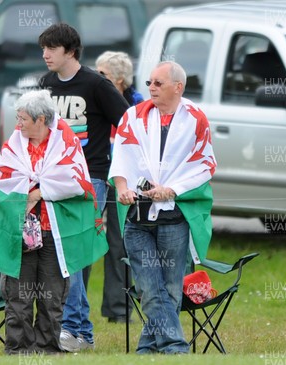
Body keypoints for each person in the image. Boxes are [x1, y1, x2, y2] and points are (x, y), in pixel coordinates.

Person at [109, 61, 216, 354]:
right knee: (148, 286)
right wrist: (121, 188)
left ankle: (147, 350)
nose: (151, 88)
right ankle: (175, 347)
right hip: (137, 217)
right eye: (149, 83)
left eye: (158, 83)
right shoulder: (133, 116)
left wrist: (172, 190)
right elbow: (121, 158)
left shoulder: (195, 119)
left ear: (177, 87)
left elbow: (205, 163)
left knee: (169, 289)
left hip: (173, 216)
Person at [0, 89, 107, 354]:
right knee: (18, 295)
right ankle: (18, 351)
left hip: (56, 233)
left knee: (51, 296)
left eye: (23, 119)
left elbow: (77, 182)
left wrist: (39, 191)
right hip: (23, 233)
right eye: (17, 118)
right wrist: (25, 193)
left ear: (40, 119)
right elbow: (0, 180)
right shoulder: (14, 144)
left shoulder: (66, 143)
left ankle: (48, 350)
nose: (18, 124)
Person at [38, 22, 129, 351]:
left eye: (52, 48)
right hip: (53, 178)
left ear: (70, 51)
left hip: (90, 177)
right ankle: (68, 327)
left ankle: (79, 331)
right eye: (43, 48)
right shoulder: (46, 84)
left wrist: (121, 173)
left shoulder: (96, 84)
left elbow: (129, 123)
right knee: (59, 253)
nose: (45, 54)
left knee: (74, 254)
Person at [95, 51, 143, 323]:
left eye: (104, 75)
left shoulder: (136, 105)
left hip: (122, 183)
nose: (97, 79)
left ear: (121, 80)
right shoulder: (93, 99)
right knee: (88, 242)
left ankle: (119, 309)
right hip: (95, 177)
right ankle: (74, 309)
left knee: (119, 245)